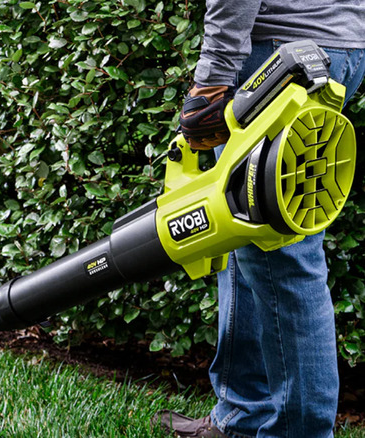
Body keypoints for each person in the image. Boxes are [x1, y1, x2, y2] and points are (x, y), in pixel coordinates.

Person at [155, 2, 365, 437]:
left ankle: (300, 432)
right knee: (239, 227)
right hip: (337, 46)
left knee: (283, 256)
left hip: (280, 53)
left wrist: (212, 78)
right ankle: (242, 417)